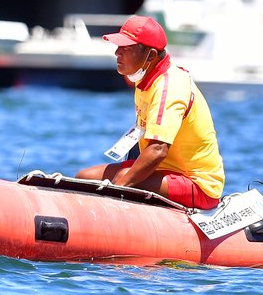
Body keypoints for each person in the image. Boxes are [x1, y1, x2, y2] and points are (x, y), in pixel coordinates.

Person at [75, 15, 224, 209]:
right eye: (118, 46)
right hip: (162, 171)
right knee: (84, 177)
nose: (117, 53)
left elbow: (157, 150)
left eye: (126, 48)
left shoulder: (169, 86)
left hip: (198, 185)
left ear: (151, 55)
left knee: (121, 179)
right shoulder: (144, 78)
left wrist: (117, 190)